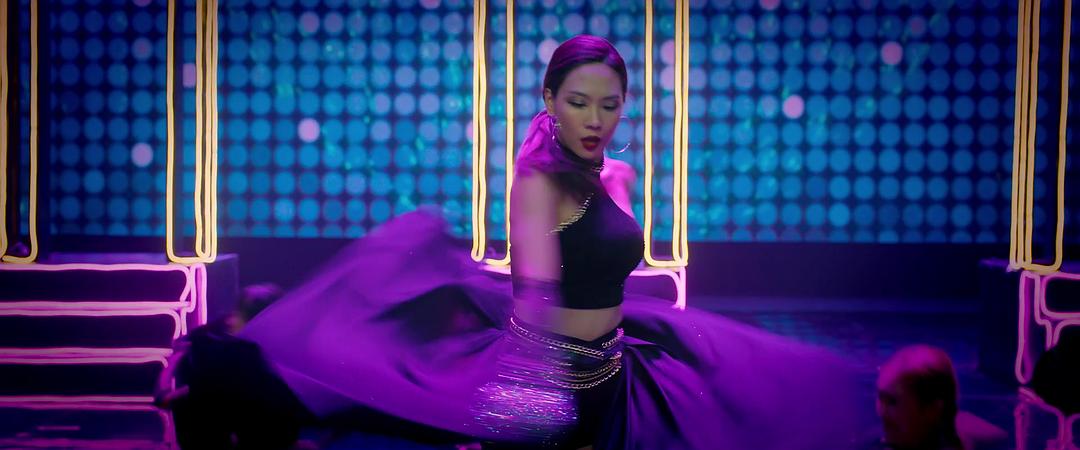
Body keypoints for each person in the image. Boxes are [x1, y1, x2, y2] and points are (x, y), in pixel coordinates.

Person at [164, 35, 864, 449]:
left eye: (610, 104)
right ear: (551, 101)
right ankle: (220, 373)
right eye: (579, 102)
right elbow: (536, 303)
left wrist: (620, 198)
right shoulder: (538, 182)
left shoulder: (606, 175)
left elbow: (611, 262)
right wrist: (534, 404)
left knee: (767, 391)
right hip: (556, 378)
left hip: (612, 367)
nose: (596, 119)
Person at [875, 345, 1007, 450]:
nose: (881, 412)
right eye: (881, 398)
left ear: (932, 409)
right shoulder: (873, 443)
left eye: (892, 401)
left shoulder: (988, 443)